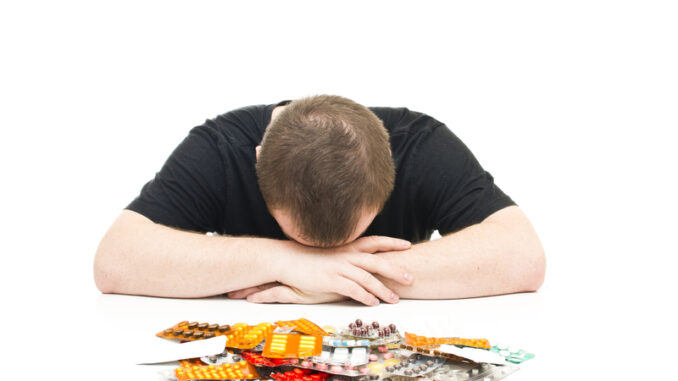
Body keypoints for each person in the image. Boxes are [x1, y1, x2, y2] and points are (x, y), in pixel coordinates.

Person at [93, 95, 545, 306]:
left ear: (393, 168)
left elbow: (521, 256)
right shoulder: (221, 148)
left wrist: (338, 280)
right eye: (304, 241)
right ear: (257, 164)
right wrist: (286, 260)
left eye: (345, 242)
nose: (325, 257)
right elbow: (115, 261)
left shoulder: (420, 145)